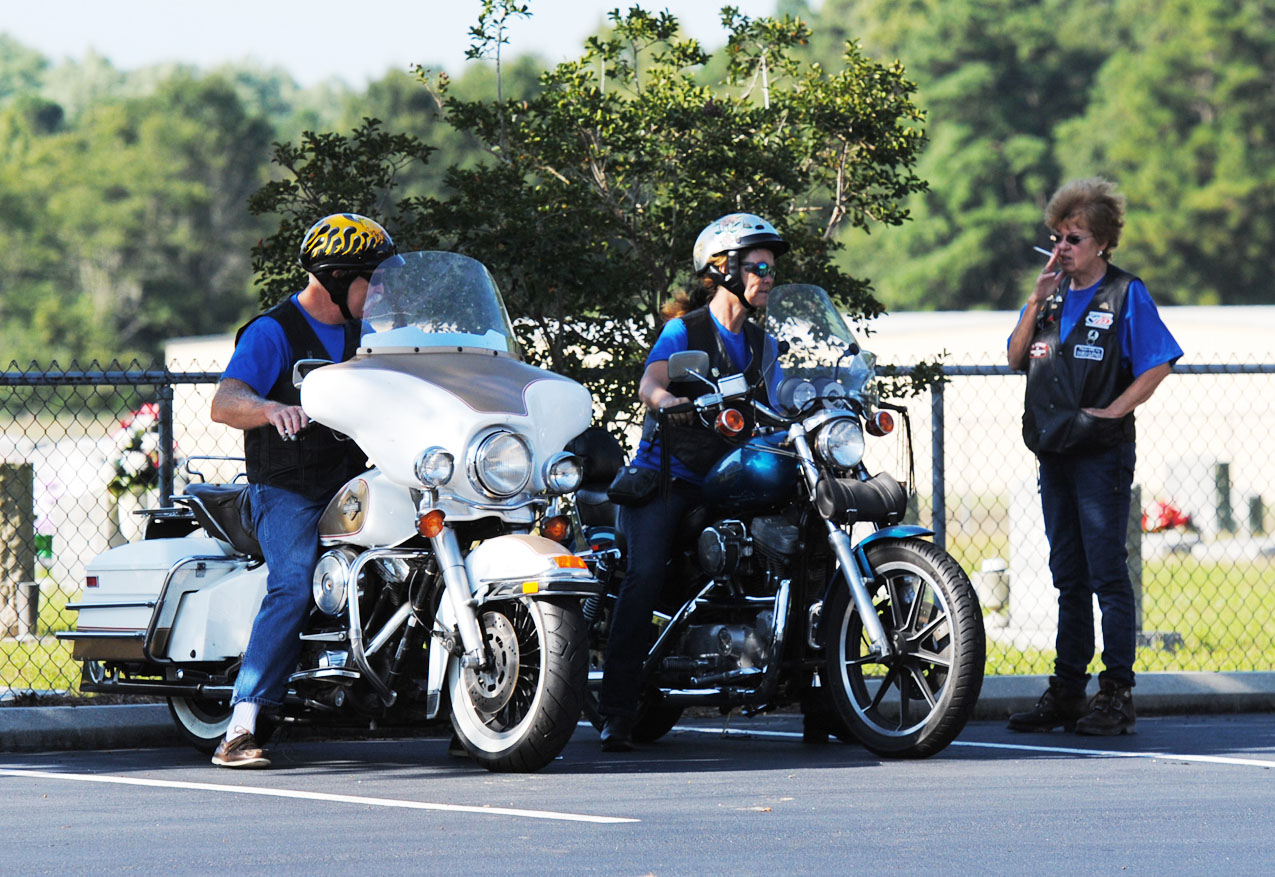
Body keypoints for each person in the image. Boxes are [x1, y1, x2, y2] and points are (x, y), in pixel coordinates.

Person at [207, 212, 398, 767]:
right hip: (288, 489)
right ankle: (241, 726)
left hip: (358, 481)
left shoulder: (374, 336)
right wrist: (270, 408)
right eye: (373, 280)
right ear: (338, 279)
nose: (381, 292)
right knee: (292, 583)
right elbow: (224, 402)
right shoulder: (274, 331)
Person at [598, 212, 787, 752]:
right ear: (724, 269)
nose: (767, 277)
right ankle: (616, 710)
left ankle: (822, 698)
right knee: (644, 575)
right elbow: (651, 382)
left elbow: (776, 406)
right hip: (669, 478)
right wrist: (668, 401)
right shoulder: (685, 331)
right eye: (757, 267)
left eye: (771, 269)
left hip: (731, 479)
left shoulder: (764, 346)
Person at [1006, 179, 1182, 736]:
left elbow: (1159, 362)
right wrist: (1035, 298)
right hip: (1054, 450)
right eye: (1057, 237)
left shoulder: (1126, 294)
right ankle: (1067, 691)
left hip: (1100, 455)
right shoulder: (1052, 295)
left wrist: (1113, 412)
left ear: (1102, 241)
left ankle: (1116, 694)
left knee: (1107, 573)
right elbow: (1014, 357)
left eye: (1074, 238)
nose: (1062, 248)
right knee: (1068, 575)